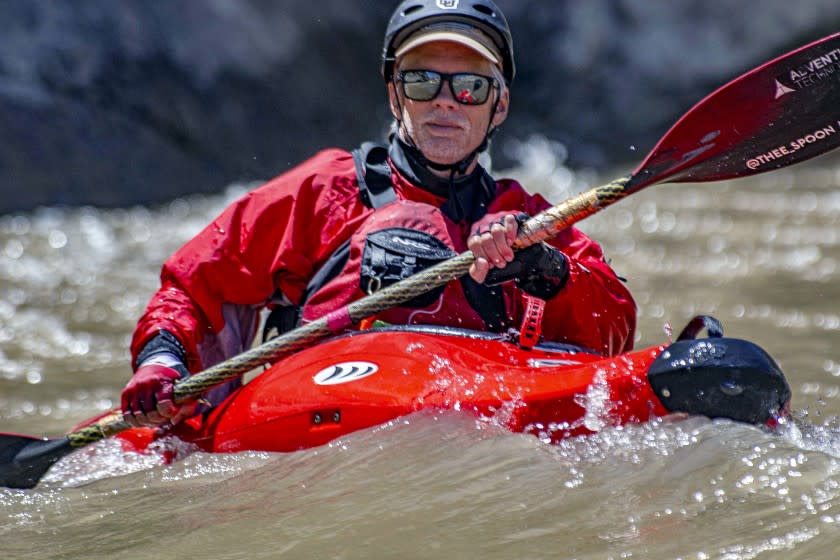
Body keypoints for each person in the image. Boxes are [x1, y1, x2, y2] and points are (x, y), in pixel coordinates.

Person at [121, 0, 636, 427]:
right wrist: (162, 360)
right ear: (395, 96)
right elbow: (193, 286)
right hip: (321, 407)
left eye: (470, 87)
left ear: (497, 106)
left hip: (473, 413)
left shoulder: (528, 218)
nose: (445, 103)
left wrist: (547, 271)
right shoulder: (325, 190)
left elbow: (616, 331)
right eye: (421, 83)